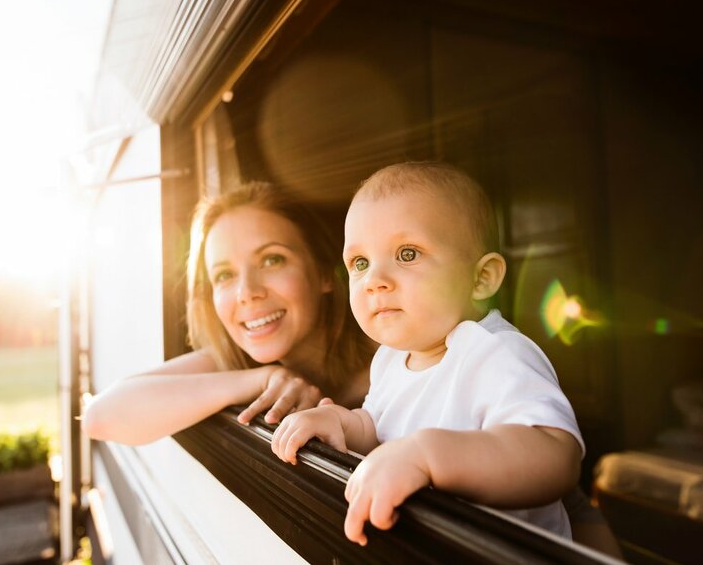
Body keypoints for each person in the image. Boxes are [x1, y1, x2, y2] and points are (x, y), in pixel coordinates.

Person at [271, 162, 585, 545]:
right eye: (360, 263)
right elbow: (379, 430)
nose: (374, 281)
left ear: (481, 278)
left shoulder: (495, 352)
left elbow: (555, 456)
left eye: (407, 254)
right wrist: (341, 423)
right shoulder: (390, 358)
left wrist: (428, 456)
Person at [82, 181, 374, 445]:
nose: (246, 292)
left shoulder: (395, 361)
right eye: (224, 275)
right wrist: (263, 378)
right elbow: (100, 417)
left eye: (272, 260)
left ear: (323, 273)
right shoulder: (234, 359)